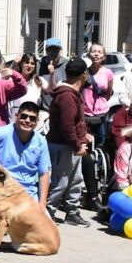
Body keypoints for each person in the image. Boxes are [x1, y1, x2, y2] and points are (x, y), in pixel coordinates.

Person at [47, 56, 91, 227]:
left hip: (71, 146)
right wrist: (77, 144)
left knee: (75, 181)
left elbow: (75, 122)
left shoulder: (71, 94)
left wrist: (83, 136)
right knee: (60, 182)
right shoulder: (66, 96)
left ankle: (72, 212)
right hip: (62, 146)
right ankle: (47, 213)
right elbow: (67, 126)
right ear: (84, 75)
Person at [0, 102, 51, 206]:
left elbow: (44, 173)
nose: (27, 121)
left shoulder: (41, 141)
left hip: (28, 193)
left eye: (32, 118)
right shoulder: (2, 133)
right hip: (3, 191)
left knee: (45, 221)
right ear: (16, 116)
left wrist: (42, 204)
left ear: (37, 121)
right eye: (24, 116)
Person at [80, 44, 114, 212]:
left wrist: (102, 103)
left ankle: (98, 179)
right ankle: (85, 186)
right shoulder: (84, 72)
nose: (96, 54)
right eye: (93, 51)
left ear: (104, 55)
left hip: (101, 114)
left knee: (100, 148)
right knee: (84, 150)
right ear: (89, 54)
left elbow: (108, 93)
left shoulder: (108, 73)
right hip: (85, 114)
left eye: (99, 51)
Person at [7, 53, 48, 132]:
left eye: (32, 63)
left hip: (31, 119)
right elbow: (3, 78)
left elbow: (49, 90)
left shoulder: (38, 80)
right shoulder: (13, 79)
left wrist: (52, 74)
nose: (29, 66)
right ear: (21, 63)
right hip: (14, 117)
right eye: (27, 62)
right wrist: (14, 63)